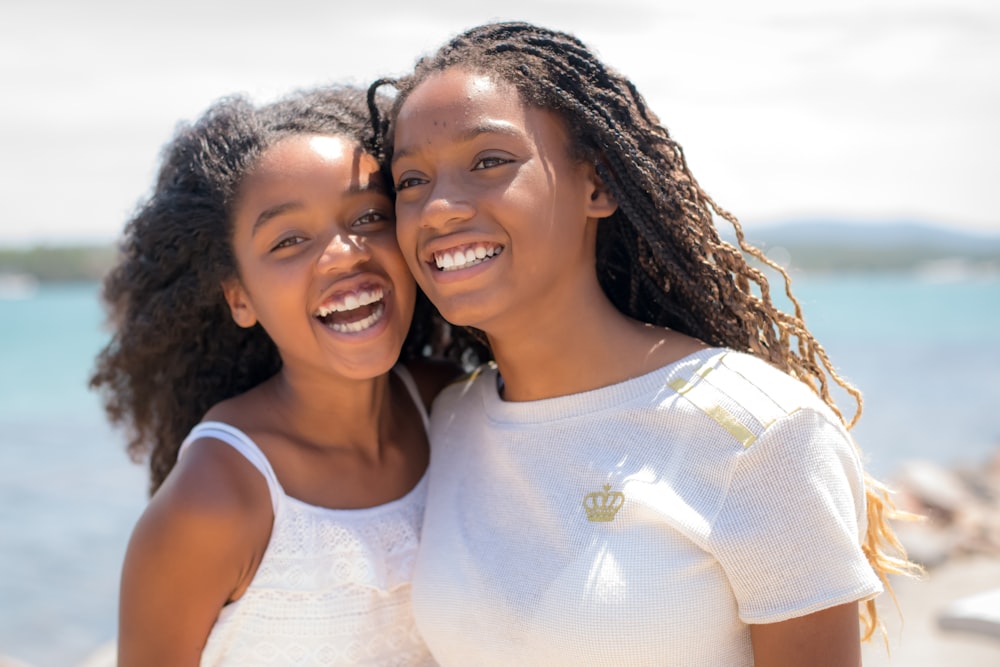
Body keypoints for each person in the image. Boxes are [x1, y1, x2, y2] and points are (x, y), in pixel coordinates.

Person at [370, 21, 921, 666]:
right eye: (411, 181)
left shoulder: (759, 432)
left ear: (597, 185)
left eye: (490, 161)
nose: (438, 208)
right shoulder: (449, 420)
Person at [90, 85, 477, 666]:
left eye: (369, 216)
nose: (345, 253)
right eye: (289, 240)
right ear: (240, 298)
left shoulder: (450, 406)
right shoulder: (215, 499)